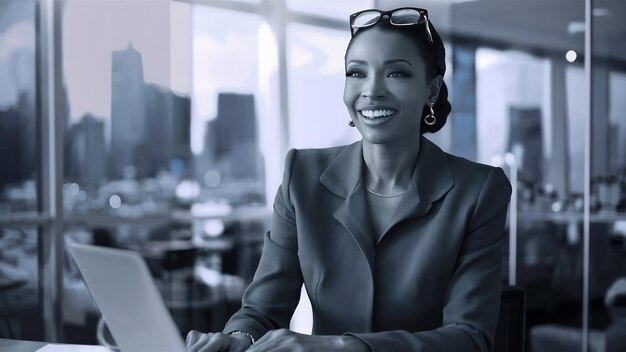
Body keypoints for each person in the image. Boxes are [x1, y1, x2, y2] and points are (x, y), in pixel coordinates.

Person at [187, 7, 512, 352]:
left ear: (431, 91)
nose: (371, 91)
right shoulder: (302, 177)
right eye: (356, 73)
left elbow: (470, 338)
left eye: (397, 74)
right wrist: (238, 340)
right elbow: (262, 310)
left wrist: (341, 347)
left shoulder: (479, 190)